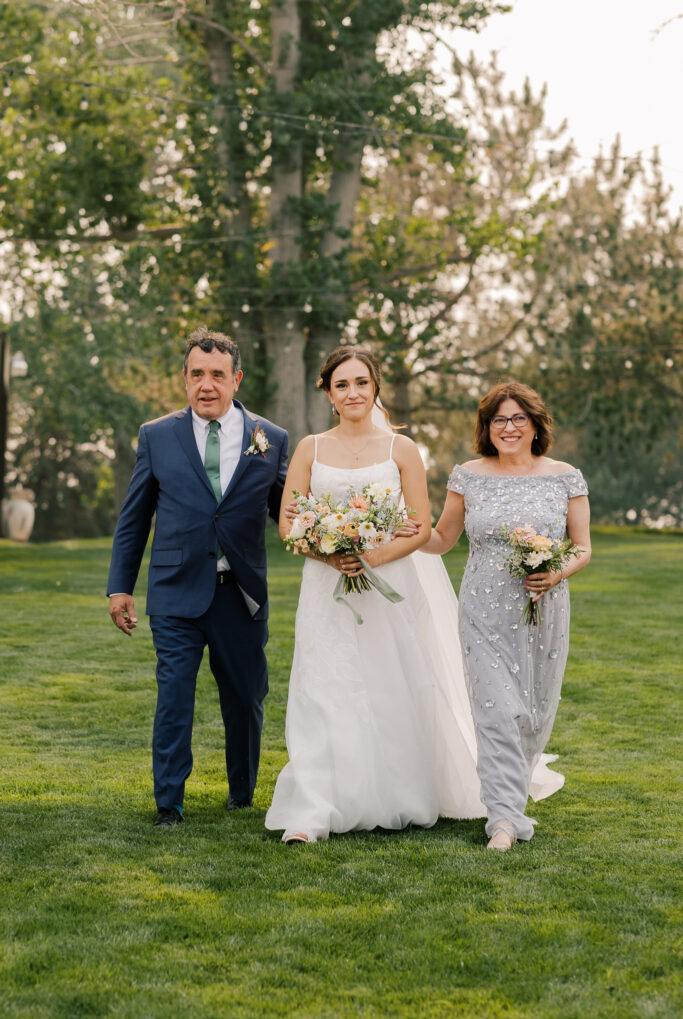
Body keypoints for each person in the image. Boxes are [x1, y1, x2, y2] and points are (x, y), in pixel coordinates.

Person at [265, 346, 485, 844]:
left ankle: (400, 794)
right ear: (327, 393)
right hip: (326, 587)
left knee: (391, 683)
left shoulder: (401, 450)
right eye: (341, 385)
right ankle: (315, 808)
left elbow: (419, 526)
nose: (353, 393)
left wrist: (371, 560)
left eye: (361, 383)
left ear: (375, 387)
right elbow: (288, 523)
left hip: (389, 588)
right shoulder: (310, 449)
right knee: (324, 686)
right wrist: (330, 556)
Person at [107, 327, 288, 827]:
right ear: (184, 379)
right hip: (175, 592)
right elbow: (133, 518)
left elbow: (288, 513)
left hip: (242, 595)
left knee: (247, 698)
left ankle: (242, 792)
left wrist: (335, 542)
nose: (206, 385)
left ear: (236, 379)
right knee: (174, 698)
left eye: (217, 375)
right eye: (196, 375)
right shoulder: (156, 435)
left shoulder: (269, 439)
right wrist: (120, 586)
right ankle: (169, 802)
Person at [422, 381, 591, 850]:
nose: (509, 427)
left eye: (519, 418)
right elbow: (442, 539)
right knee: (498, 711)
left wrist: (555, 572)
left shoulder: (564, 476)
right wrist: (410, 531)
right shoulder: (468, 475)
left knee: (531, 715)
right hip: (482, 610)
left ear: (536, 425)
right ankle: (501, 821)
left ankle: (510, 806)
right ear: (487, 427)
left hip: (544, 609)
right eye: (499, 419)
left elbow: (582, 547)